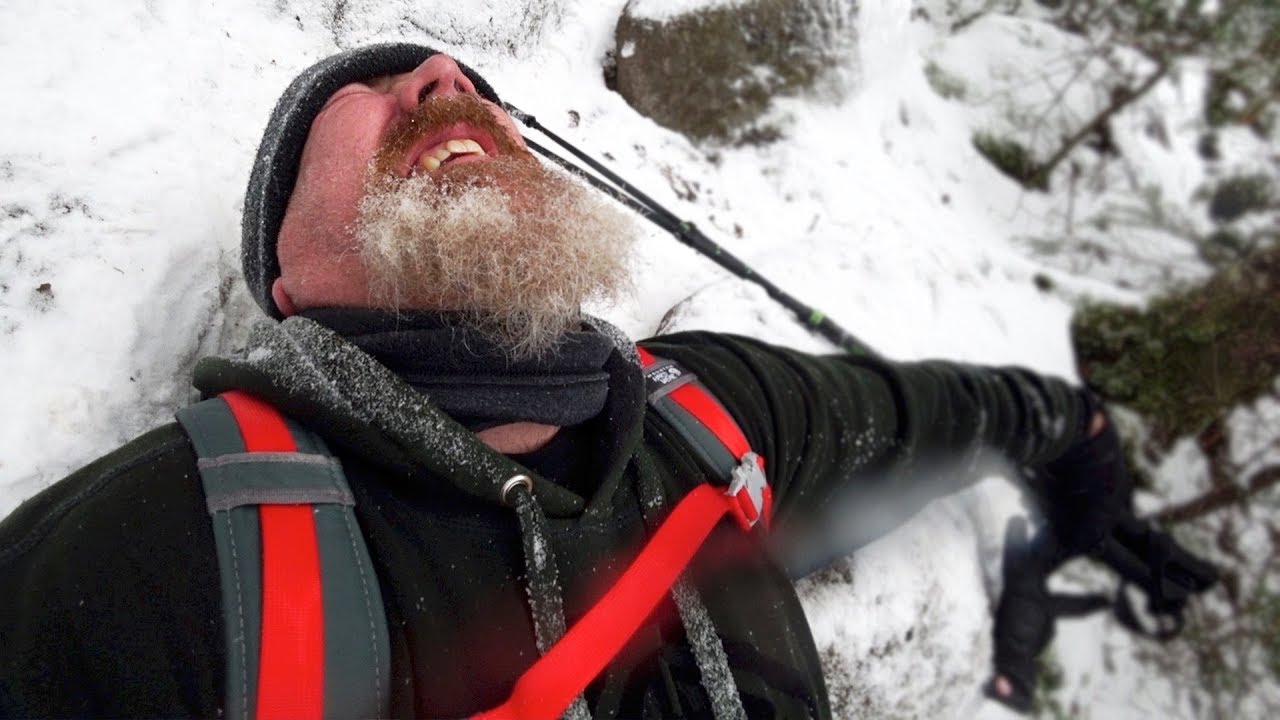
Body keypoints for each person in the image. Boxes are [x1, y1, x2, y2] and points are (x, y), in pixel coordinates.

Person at [0, 43, 1129, 719]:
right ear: (284, 283)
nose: (444, 76)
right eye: (358, 95)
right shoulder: (141, 568)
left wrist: (1073, 428)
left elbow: (925, 416)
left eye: (455, 80)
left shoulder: (712, 416)